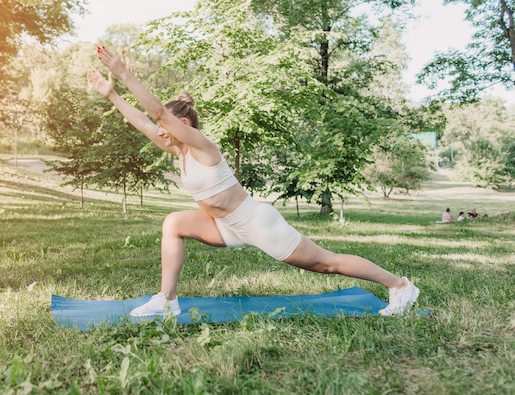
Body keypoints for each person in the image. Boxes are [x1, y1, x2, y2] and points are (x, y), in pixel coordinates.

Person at [87, 46, 419, 317]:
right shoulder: (180, 151)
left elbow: (158, 114)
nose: (160, 132)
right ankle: (167, 301)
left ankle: (400, 285)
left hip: (257, 223)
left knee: (325, 263)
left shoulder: (202, 146)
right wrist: (112, 94)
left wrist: (126, 74)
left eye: (169, 126)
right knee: (173, 223)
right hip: (225, 225)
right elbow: (146, 124)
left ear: (183, 123)